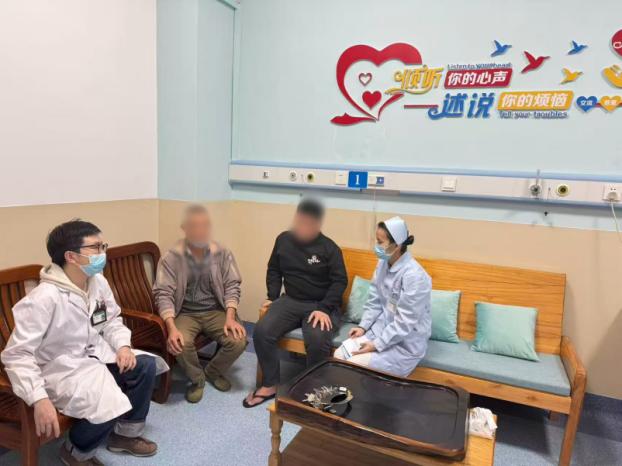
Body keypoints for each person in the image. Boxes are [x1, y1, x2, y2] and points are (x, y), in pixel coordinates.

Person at [1, 220, 168, 466]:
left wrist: (123, 346)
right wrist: (38, 398)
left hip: (94, 353)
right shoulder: (44, 298)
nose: (103, 253)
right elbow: (17, 355)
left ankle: (125, 436)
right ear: (71, 256)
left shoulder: (97, 282)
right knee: (108, 402)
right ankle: (75, 451)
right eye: (96, 247)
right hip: (61, 370)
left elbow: (111, 320)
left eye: (103, 246)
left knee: (144, 366)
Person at [244, 198, 347, 408]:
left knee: (317, 339)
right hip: (291, 300)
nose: (302, 227)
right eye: (300, 222)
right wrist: (272, 297)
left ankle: (315, 391)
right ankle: (270, 384)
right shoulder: (283, 240)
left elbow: (340, 281)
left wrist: (324, 308)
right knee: (262, 331)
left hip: (320, 304)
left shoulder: (329, 248)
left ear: (317, 224)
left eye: (308, 223)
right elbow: (274, 269)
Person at [153, 204, 246, 403]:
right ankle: (197, 379)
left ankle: (212, 372)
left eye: (205, 225)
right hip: (185, 313)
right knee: (180, 342)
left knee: (238, 340)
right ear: (184, 228)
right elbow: (163, 294)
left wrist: (230, 317)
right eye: (194, 226)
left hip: (215, 310)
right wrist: (171, 328)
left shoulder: (222, 253)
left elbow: (232, 285)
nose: (200, 230)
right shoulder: (171, 259)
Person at [334, 216, 432, 377]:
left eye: (380, 242)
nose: (376, 246)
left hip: (404, 343)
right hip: (378, 331)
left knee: (352, 366)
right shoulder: (383, 264)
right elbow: (375, 301)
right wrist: (363, 327)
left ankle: (364, 393)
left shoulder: (415, 277)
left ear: (397, 245)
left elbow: (404, 323)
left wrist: (376, 345)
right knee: (339, 355)